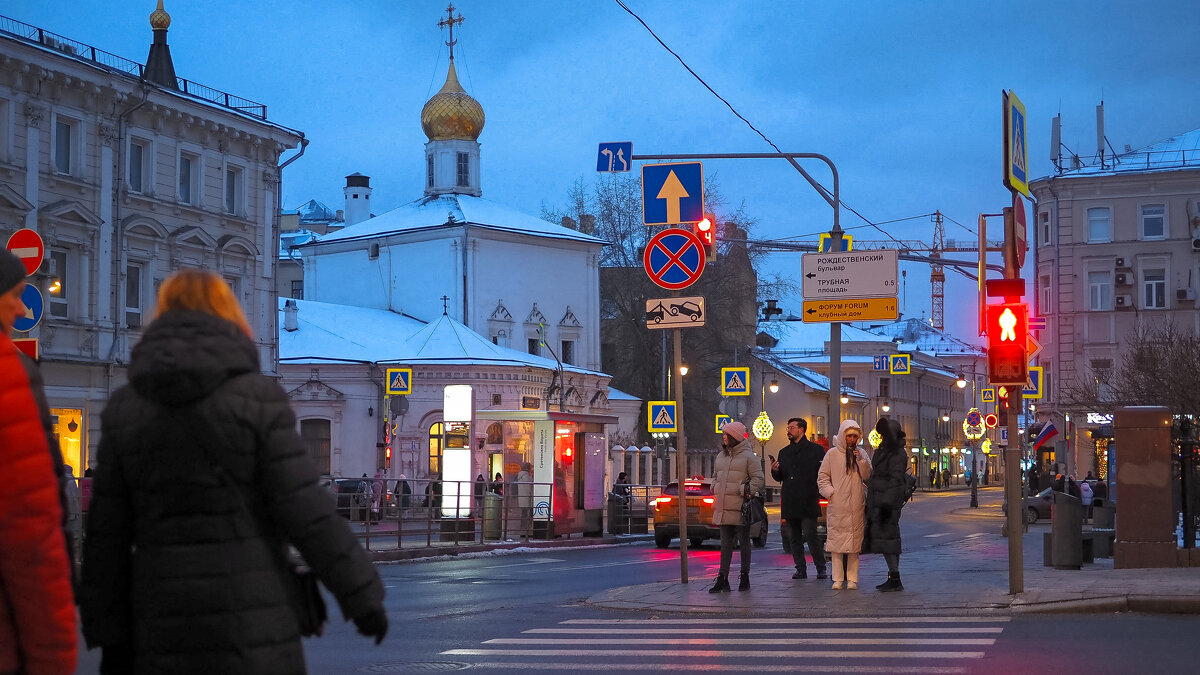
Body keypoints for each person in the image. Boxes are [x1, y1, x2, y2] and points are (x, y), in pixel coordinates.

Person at [80, 268, 387, 673]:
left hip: (156, 619)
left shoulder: (127, 407)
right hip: (251, 619)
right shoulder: (257, 400)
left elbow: (106, 535)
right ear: (229, 316)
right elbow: (307, 513)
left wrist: (104, 628)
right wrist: (361, 597)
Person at [0, 248, 77, 674]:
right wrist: (53, 656)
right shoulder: (9, 375)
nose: (19, 304)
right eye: (11, 293)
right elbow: (29, 537)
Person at [708, 421, 765, 593]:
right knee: (725, 544)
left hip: (741, 507)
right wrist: (715, 487)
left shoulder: (748, 457)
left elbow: (758, 479)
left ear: (735, 437)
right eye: (723, 434)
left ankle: (744, 576)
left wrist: (744, 490)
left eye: (726, 434)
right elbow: (715, 477)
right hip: (724, 506)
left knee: (744, 542)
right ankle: (722, 578)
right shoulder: (720, 456)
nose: (724, 437)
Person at [770, 417, 827, 580]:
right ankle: (800, 568)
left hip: (808, 498)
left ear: (801, 430)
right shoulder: (784, 452)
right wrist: (775, 470)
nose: (788, 430)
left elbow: (822, 473)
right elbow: (781, 477)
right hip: (790, 499)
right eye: (788, 427)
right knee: (793, 536)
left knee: (810, 534)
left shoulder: (816, 450)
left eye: (792, 427)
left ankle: (820, 567)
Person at [818, 419, 871, 590]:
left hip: (856, 505)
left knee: (854, 545)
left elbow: (867, 474)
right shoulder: (832, 454)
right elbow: (823, 477)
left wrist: (861, 460)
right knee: (836, 544)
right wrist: (830, 493)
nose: (852, 439)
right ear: (843, 435)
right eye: (849, 436)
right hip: (837, 505)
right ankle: (838, 578)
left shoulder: (861, 453)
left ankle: (853, 579)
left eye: (855, 436)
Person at [863, 418, 908, 592]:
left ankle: (895, 577)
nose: (881, 437)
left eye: (883, 434)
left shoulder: (897, 453)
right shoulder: (885, 450)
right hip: (880, 501)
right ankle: (893, 576)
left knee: (888, 539)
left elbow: (896, 481)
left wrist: (885, 505)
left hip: (886, 504)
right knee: (886, 540)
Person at [515, 462, 534, 539]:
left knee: (524, 513)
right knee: (529, 514)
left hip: (522, 498)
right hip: (527, 498)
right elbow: (529, 487)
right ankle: (527, 529)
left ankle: (522, 529)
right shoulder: (526, 476)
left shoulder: (520, 475)